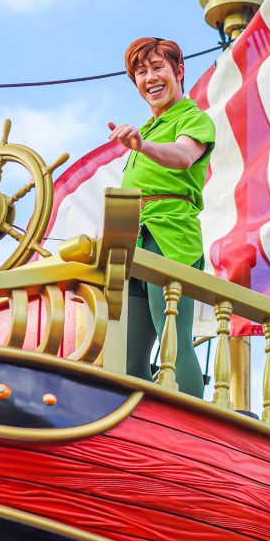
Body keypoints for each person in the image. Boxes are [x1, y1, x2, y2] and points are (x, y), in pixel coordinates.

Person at [108, 37, 215, 398]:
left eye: (158, 68)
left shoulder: (192, 118)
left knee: (175, 341)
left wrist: (142, 146)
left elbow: (184, 155)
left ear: (179, 71)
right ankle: (140, 425)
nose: (150, 78)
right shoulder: (149, 127)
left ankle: (196, 427)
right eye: (141, 72)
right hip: (134, 239)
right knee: (128, 355)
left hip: (169, 234)